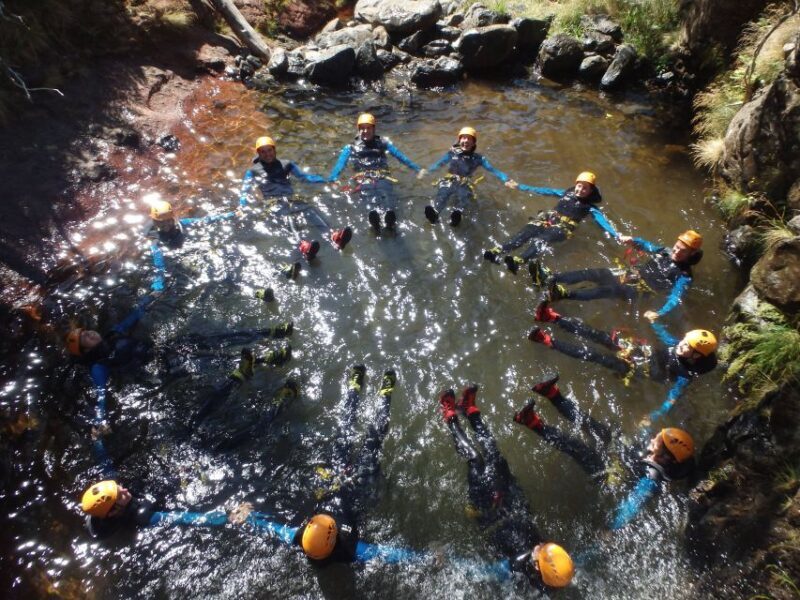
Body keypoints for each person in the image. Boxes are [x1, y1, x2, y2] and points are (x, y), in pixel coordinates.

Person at [438, 384, 575, 590]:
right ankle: (470, 411)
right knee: (496, 457)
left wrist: (446, 559)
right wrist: (604, 538)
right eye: (546, 545)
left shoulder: (514, 567)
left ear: (538, 569)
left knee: (475, 460)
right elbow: (581, 559)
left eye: (541, 551)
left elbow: (479, 571)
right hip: (511, 501)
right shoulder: (556, 567)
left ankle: (450, 417)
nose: (540, 546)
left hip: (489, 513)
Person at [514, 374, 695, 529]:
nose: (655, 436)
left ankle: (532, 423)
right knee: (592, 425)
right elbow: (647, 438)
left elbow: (632, 506)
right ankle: (552, 394)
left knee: (577, 447)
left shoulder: (651, 479)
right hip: (620, 453)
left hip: (609, 474)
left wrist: (611, 527)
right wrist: (657, 413)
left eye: (659, 440)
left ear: (663, 457)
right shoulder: (661, 455)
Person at [528, 307, 717, 423]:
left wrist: (651, 418)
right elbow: (665, 338)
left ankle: (548, 342)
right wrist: (655, 323)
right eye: (684, 341)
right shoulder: (678, 345)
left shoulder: (685, 376)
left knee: (594, 356)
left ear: (696, 356)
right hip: (641, 353)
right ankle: (554, 318)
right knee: (601, 336)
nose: (681, 344)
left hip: (636, 369)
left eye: (686, 346)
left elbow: (671, 399)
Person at [531, 230, 704, 321]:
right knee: (595, 273)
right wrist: (633, 241)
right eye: (677, 246)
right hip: (630, 275)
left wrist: (659, 312)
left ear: (691, 255)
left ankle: (562, 294)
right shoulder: (665, 251)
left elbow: (675, 298)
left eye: (683, 251)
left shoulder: (684, 276)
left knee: (607, 290)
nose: (677, 251)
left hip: (639, 291)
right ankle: (553, 277)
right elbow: (648, 246)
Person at [239, 136, 352, 275]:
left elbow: (305, 177)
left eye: (269, 150)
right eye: (263, 152)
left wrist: (326, 180)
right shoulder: (253, 171)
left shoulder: (287, 164)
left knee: (311, 212)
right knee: (289, 220)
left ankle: (333, 236)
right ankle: (303, 246)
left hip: (292, 199)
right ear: (258, 153)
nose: (267, 154)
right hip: (274, 204)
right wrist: (242, 206)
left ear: (274, 150)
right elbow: (245, 189)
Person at [483, 172, 618, 274]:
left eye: (585, 188)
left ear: (591, 192)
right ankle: (498, 250)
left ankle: (519, 261)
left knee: (541, 239)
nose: (580, 190)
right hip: (547, 219)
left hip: (563, 228)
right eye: (579, 186)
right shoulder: (566, 193)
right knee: (525, 233)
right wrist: (519, 186)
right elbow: (544, 191)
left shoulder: (591, 207)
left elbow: (603, 222)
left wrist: (617, 236)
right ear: (575, 184)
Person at [326, 113, 422, 234]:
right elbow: (340, 164)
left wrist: (417, 169)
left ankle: (389, 219)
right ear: (358, 129)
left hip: (382, 176)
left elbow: (400, 156)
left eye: (368, 128)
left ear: (373, 129)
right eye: (362, 128)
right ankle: (375, 221)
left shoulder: (383, 143)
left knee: (387, 197)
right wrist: (333, 178)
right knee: (369, 199)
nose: (365, 131)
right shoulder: (350, 148)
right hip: (363, 178)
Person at [422, 126, 518, 227]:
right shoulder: (452, 153)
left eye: (469, 138)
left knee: (464, 197)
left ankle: (457, 217)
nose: (466, 141)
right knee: (442, 194)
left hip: (464, 183)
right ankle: (435, 213)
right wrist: (428, 171)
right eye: (464, 138)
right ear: (459, 140)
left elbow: (493, 170)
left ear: (473, 143)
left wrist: (506, 179)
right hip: (449, 180)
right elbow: (439, 164)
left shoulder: (479, 158)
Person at [80, 479, 230, 539]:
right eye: (120, 495)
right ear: (113, 512)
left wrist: (97, 440)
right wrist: (229, 517)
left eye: (118, 487)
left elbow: (106, 464)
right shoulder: (144, 518)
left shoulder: (103, 506)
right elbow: (185, 518)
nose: (125, 490)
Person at [147, 199, 237, 293]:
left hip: (191, 251)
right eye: (161, 222)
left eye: (168, 220)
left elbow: (205, 220)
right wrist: (158, 285)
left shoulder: (182, 224)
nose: (166, 224)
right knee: (195, 271)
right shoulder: (155, 241)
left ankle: (227, 284)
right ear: (154, 221)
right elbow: (159, 265)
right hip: (177, 261)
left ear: (173, 218)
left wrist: (230, 215)